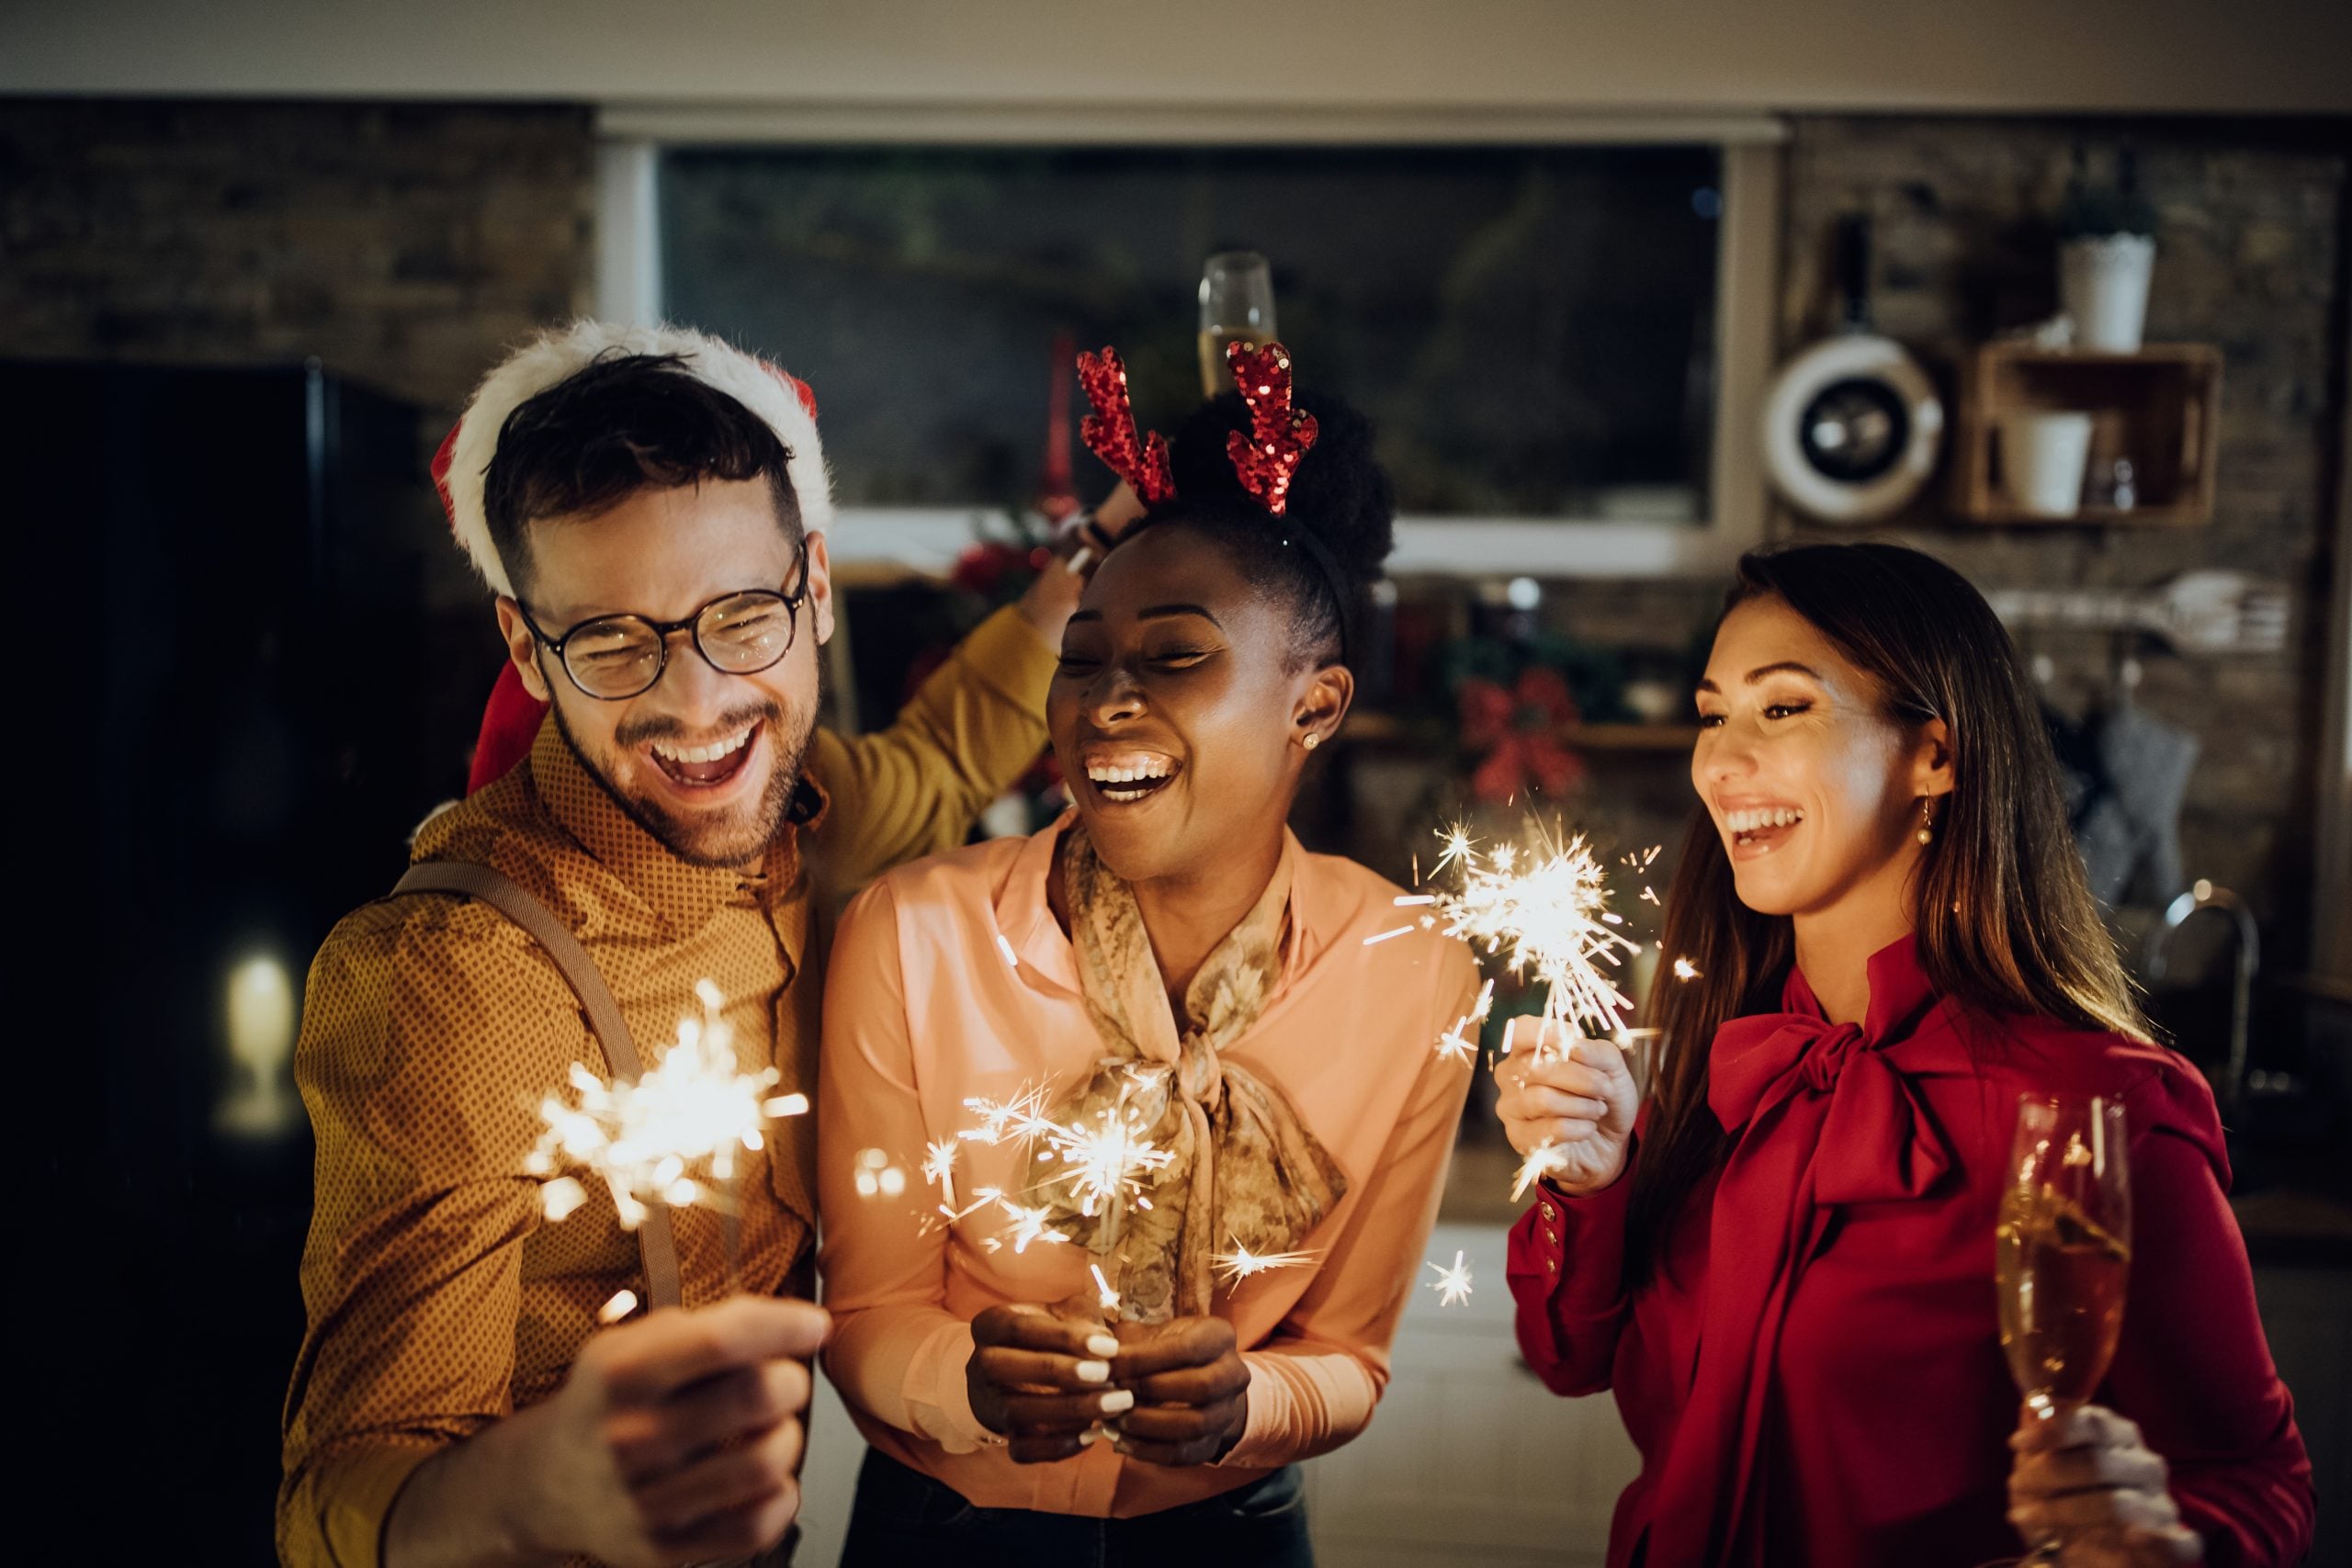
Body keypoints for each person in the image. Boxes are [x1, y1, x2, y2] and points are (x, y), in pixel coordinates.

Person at [279, 321, 1114, 1568]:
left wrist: (1093, 562)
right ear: (525, 646)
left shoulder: (811, 794)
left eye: (741, 614)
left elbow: (942, 755)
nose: (695, 701)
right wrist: (523, 1492)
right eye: (612, 640)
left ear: (815, 587)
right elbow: (336, 1491)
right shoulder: (456, 972)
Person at [1498, 543, 2313, 1567]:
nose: (1719, 761)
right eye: (1713, 715)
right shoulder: (1716, 1068)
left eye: (1781, 708)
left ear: (1934, 755)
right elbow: (1569, 1359)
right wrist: (1588, 1182)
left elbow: (2257, 1482)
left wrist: (2165, 1538)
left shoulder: (2096, 1106)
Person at [818, 346, 1478, 1564]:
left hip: (1231, 1531)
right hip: (943, 1530)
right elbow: (863, 1318)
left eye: (1176, 655)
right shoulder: (911, 934)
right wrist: (965, 1377)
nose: (1106, 698)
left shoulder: (1416, 967)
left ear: (1315, 703)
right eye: (1080, 659)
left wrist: (1250, 1403)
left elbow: (1351, 1356)